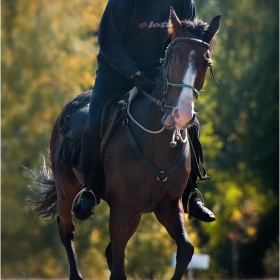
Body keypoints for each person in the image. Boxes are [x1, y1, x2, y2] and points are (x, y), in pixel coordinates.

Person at [73, 0, 216, 223]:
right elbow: (108, 42)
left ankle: (191, 195)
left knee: (190, 124)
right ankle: (90, 191)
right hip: (115, 72)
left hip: (159, 74)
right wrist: (135, 75)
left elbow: (187, 42)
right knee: (95, 122)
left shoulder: (184, 3)